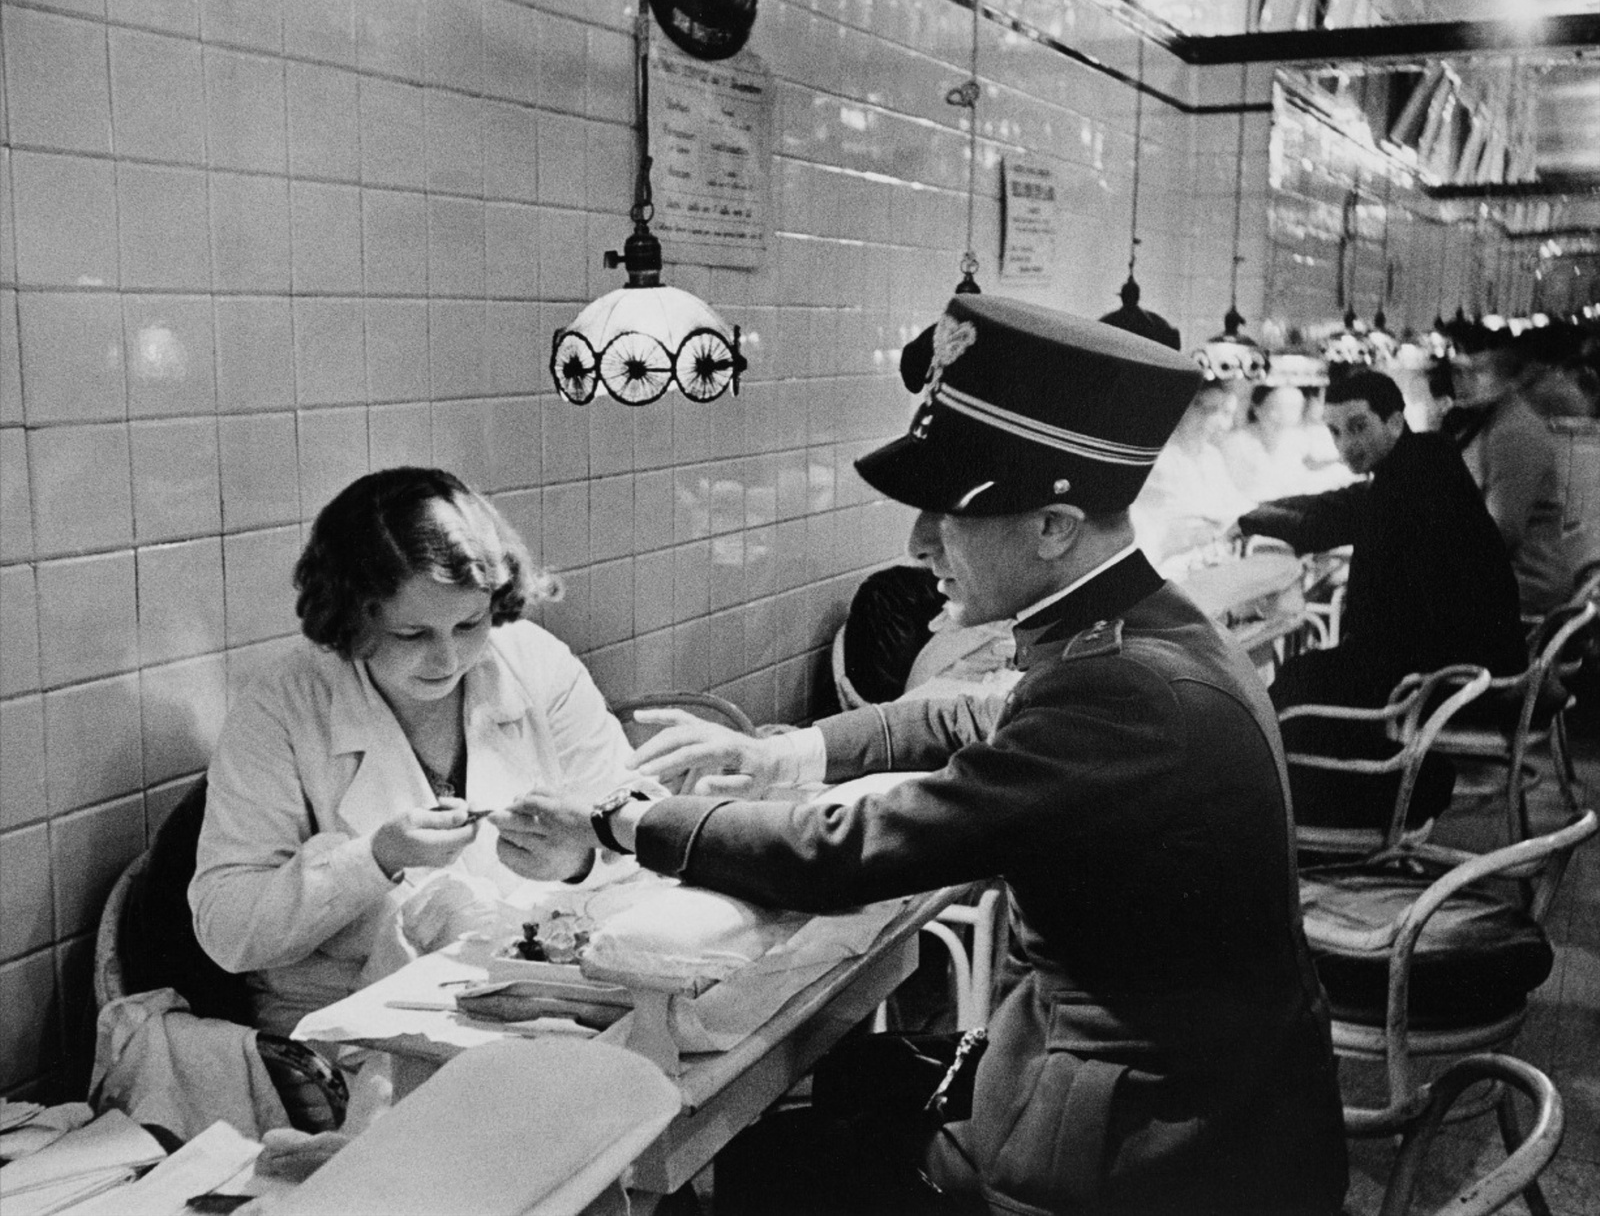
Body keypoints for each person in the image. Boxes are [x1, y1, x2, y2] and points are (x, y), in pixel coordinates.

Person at [495, 296, 1349, 1216]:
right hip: (1197, 1093)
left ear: (1054, 524)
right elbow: (974, 717)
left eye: (948, 514)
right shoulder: (1143, 630)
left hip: (1158, 1151)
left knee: (760, 1160)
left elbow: (851, 851)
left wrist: (622, 820)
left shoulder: (1126, 689)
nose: (917, 544)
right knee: (846, 1082)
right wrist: (790, 753)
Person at [191, 467, 637, 1037]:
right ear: (351, 615)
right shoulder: (281, 708)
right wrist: (373, 859)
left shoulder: (533, 663)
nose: (447, 659)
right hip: (351, 1024)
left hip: (528, 991)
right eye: (412, 635)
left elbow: (637, 821)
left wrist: (579, 860)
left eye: (470, 623)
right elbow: (228, 929)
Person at [1235, 368, 1526, 831]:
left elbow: (1330, 521)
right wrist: (1258, 512)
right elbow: (1344, 502)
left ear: (1394, 421)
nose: (1346, 444)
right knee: (1304, 679)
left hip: (1451, 671)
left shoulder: (1412, 477)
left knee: (1292, 688)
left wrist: (1248, 521)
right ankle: (1309, 809)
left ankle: (1318, 818)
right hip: (1468, 654)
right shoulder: (1425, 457)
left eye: (1358, 426)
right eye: (1334, 431)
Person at [1446, 325, 1581, 617]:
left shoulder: (1512, 431)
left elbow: (1501, 533)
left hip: (1523, 586)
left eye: (1476, 371)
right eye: (1457, 372)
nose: (1462, 383)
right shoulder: (1492, 419)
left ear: (1503, 373)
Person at [1129, 378, 1253, 571]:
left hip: (1205, 553)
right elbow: (1176, 517)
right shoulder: (1162, 458)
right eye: (1208, 410)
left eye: (1226, 413)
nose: (1219, 421)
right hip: (1163, 556)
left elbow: (1233, 501)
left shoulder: (1211, 456)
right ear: (1184, 409)